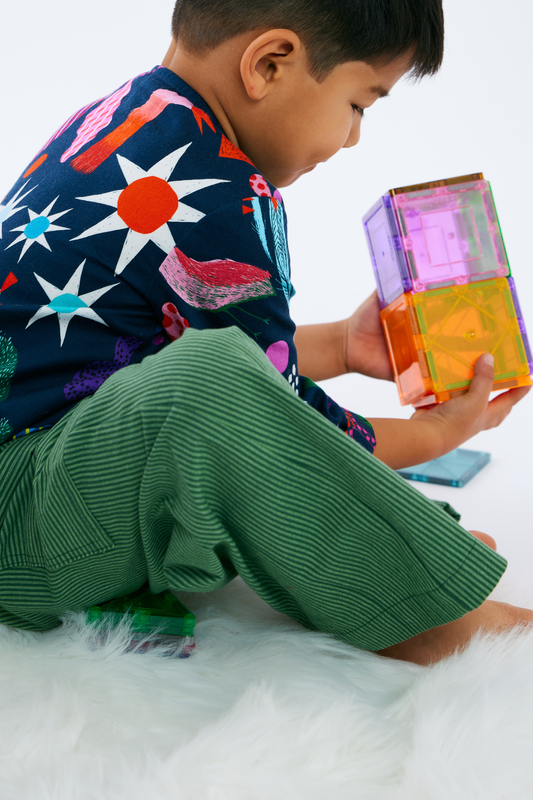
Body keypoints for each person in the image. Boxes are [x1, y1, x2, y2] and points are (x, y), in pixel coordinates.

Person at [0, 0, 531, 665]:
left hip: (38, 485)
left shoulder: (124, 120)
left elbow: (163, 344)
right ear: (269, 63)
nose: (352, 138)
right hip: (21, 528)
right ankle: (420, 616)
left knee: (211, 378)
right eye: (359, 105)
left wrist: (338, 344)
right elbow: (262, 420)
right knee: (212, 386)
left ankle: (395, 553)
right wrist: (431, 436)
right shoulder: (220, 191)